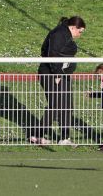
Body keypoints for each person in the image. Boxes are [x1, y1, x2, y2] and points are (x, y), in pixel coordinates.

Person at [31, 16, 86, 146]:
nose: (80, 35)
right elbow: (52, 53)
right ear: (73, 27)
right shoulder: (59, 33)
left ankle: (65, 138)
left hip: (63, 74)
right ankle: (37, 135)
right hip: (51, 73)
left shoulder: (65, 35)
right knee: (56, 104)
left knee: (67, 105)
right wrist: (56, 73)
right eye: (80, 31)